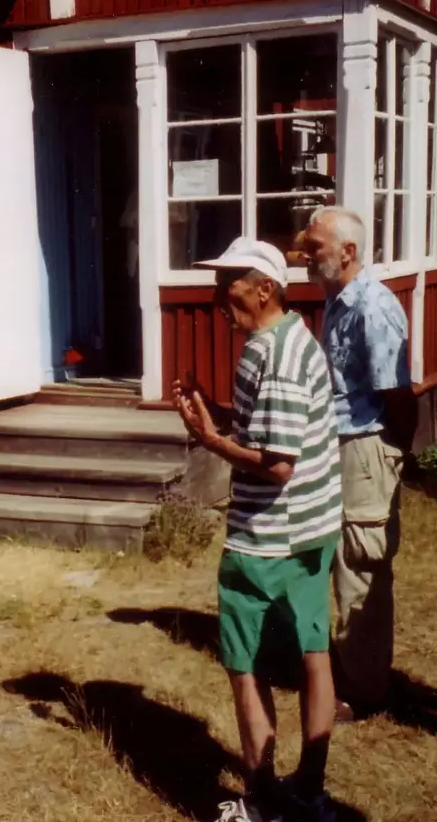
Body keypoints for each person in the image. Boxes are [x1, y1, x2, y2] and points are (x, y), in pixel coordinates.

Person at [172, 237, 342, 822]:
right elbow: (268, 430)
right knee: (314, 654)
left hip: (268, 537)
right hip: (312, 528)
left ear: (265, 289)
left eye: (229, 284)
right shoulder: (293, 339)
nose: (218, 296)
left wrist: (210, 440)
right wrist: (216, 412)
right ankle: (311, 795)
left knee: (246, 664)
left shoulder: (271, 353)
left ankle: (263, 805)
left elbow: (277, 464)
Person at [301, 206, 417, 721]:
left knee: (362, 563)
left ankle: (365, 690)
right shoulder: (338, 300)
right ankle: (351, 670)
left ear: (347, 251)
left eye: (315, 247)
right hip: (340, 443)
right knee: (343, 558)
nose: (306, 255)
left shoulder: (372, 307)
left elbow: (399, 396)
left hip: (366, 444)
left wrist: (391, 455)